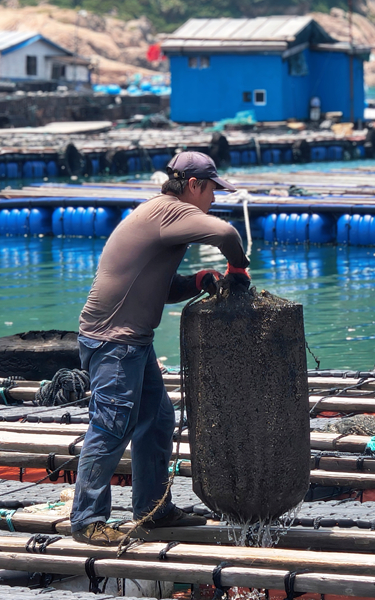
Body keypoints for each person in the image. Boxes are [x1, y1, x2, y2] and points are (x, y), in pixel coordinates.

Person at [71, 151, 250, 546]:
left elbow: (161, 290)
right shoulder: (170, 211)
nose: (214, 199)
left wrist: (199, 279)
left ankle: (153, 509)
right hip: (113, 343)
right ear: (193, 185)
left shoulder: (162, 216)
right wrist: (237, 270)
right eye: (211, 191)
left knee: (157, 419)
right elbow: (227, 235)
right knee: (110, 425)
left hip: (131, 341)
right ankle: (87, 520)